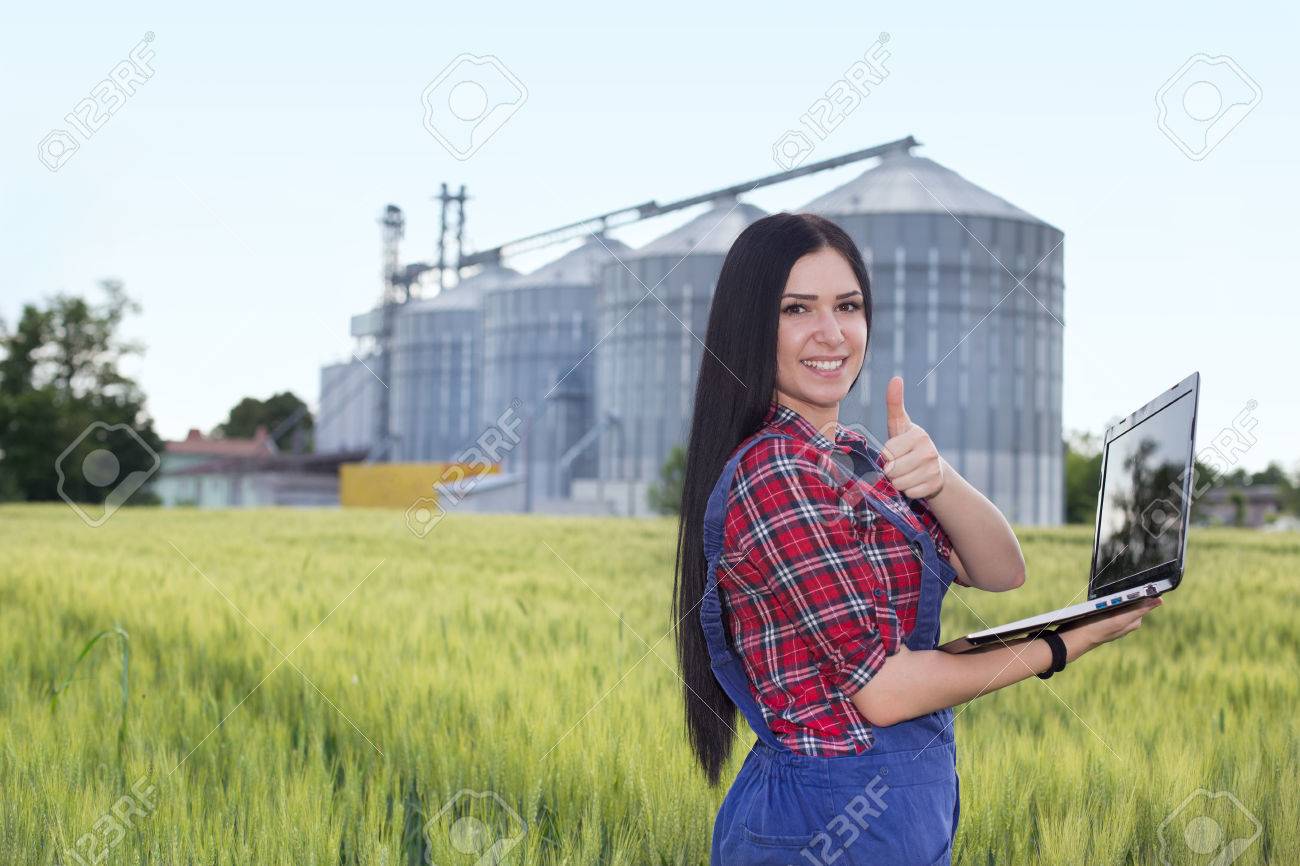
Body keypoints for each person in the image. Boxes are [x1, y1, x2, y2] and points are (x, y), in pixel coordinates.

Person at [670, 212, 1161, 865]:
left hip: (899, 809)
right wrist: (1065, 643)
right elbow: (885, 691)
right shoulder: (776, 472)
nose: (831, 332)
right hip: (825, 820)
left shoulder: (854, 455)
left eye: (848, 306)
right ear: (752, 324)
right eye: (797, 309)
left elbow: (1000, 569)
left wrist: (940, 479)